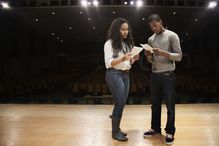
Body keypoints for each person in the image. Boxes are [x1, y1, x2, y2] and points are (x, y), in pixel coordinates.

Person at [143, 14, 182, 145]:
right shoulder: (150, 39)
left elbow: (179, 57)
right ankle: (155, 128)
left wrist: (163, 53)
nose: (153, 28)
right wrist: (148, 55)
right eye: (150, 27)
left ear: (161, 22)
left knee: (170, 106)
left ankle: (170, 131)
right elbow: (151, 59)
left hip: (168, 76)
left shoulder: (172, 35)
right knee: (155, 105)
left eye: (155, 25)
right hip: (154, 75)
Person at [104, 18, 139, 141]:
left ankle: (117, 128)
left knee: (122, 103)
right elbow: (108, 63)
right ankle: (115, 132)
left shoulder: (127, 43)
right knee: (119, 103)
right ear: (116, 29)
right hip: (114, 74)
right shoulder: (109, 43)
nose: (125, 32)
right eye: (122, 29)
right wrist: (123, 59)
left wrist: (134, 58)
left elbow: (128, 61)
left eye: (127, 29)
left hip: (126, 74)